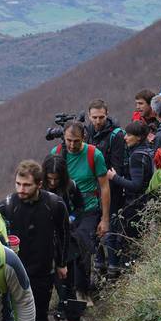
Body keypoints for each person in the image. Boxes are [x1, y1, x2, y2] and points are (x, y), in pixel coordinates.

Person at [0, 160, 70, 321]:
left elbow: (64, 234)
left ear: (39, 184)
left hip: (42, 271)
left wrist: (61, 263)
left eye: (27, 185)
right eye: (18, 184)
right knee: (12, 319)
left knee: (39, 317)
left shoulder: (54, 204)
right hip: (12, 272)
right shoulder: (6, 207)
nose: (21, 189)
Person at [50, 120, 110, 303]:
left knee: (83, 247)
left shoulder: (94, 154)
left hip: (89, 209)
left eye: (76, 141)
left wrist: (105, 219)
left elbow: (104, 186)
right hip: (64, 209)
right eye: (68, 140)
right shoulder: (57, 154)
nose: (72, 145)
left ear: (83, 137)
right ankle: (67, 294)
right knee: (64, 250)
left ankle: (83, 291)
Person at [41, 155, 86, 321]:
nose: (52, 182)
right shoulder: (38, 188)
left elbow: (81, 207)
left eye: (56, 179)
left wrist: (72, 220)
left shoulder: (70, 188)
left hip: (66, 244)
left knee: (67, 285)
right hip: (43, 244)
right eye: (49, 178)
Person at [106, 121, 154, 277]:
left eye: (129, 135)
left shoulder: (137, 155)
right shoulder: (148, 150)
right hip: (147, 202)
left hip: (136, 204)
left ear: (138, 137)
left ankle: (131, 274)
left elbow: (136, 185)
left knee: (130, 243)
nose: (125, 138)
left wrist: (115, 177)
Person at [83, 99, 125, 278]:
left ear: (107, 115)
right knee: (93, 227)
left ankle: (113, 266)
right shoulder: (87, 132)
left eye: (101, 117)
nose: (98, 121)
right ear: (89, 116)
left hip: (110, 188)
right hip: (92, 188)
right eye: (94, 117)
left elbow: (117, 167)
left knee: (110, 227)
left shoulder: (116, 135)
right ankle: (99, 264)